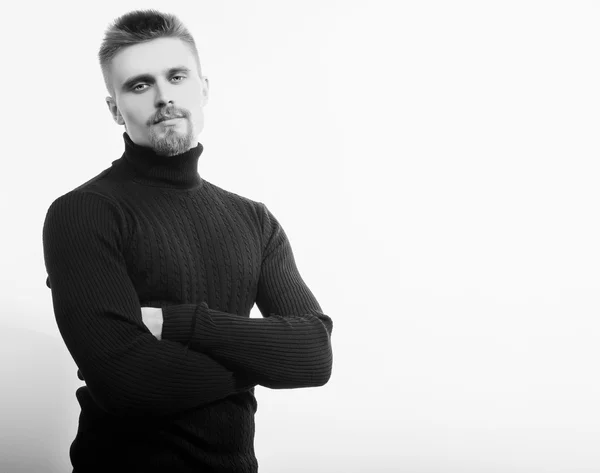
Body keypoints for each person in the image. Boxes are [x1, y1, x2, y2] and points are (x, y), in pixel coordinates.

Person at [42, 9, 333, 473]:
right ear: (115, 108)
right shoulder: (84, 212)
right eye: (139, 85)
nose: (163, 98)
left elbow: (314, 355)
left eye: (176, 77)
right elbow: (126, 384)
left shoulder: (254, 220)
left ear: (203, 88)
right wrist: (268, 359)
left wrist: (181, 325)